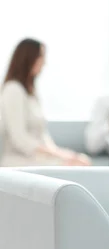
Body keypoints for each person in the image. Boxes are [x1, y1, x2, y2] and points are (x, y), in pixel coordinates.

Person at [0, 38, 91, 167]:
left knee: (82, 159)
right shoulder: (13, 90)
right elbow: (19, 139)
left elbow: (43, 136)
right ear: (29, 58)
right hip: (19, 161)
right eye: (41, 57)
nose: (44, 62)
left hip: (37, 157)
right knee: (77, 165)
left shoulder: (32, 93)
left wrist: (64, 153)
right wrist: (59, 156)